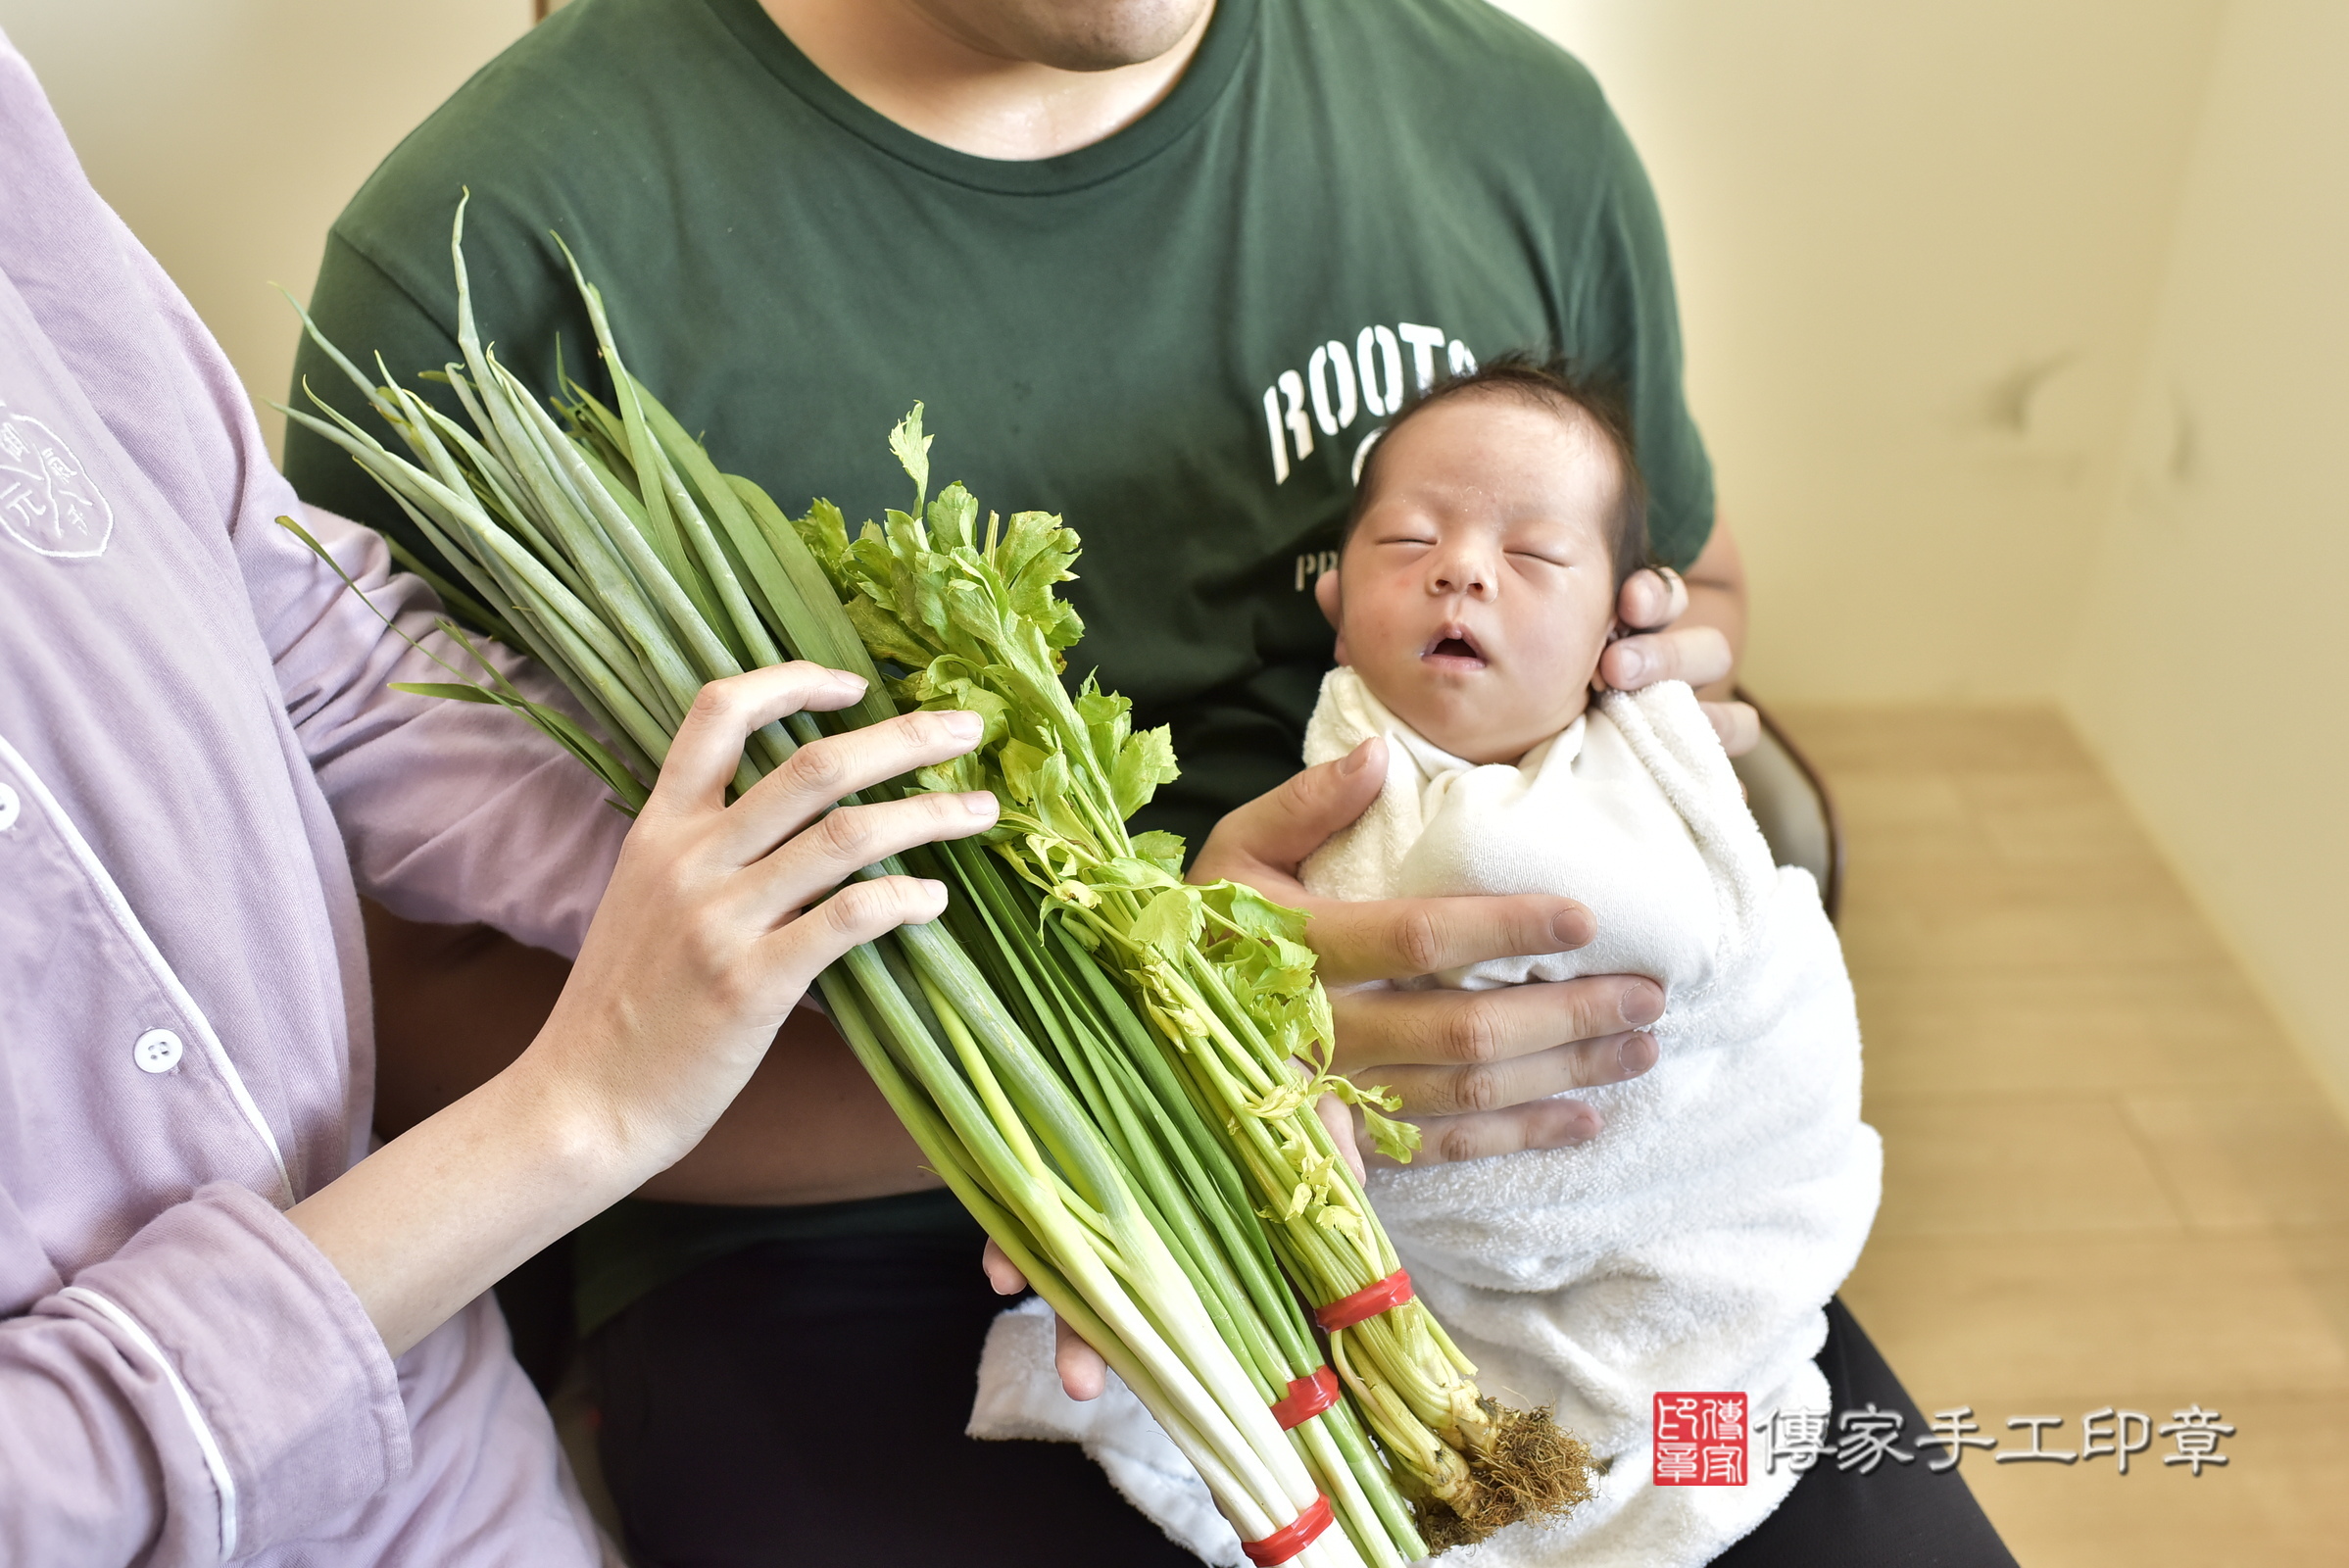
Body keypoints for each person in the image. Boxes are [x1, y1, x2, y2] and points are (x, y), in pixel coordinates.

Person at [283, 2, 2010, 1562]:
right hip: (874, 1221)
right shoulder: (494, 250)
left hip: (1543, 1222)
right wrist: (1136, 1053)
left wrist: (1641, 679)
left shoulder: (1505, 124)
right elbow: (396, 1007)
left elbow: (1690, 582)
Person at [0, 32, 1004, 1567]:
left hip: (454, 1467)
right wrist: (580, 1108)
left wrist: (951, 947)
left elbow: (304, 635)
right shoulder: (509, 204)